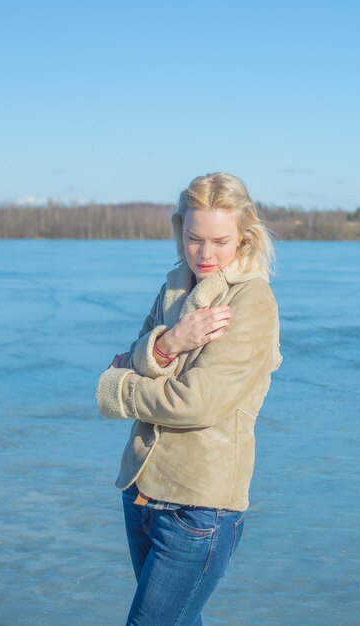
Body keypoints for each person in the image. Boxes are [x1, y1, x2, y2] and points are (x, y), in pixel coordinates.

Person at [96, 172, 283, 625]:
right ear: (179, 228)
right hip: (141, 488)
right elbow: (139, 351)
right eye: (194, 238)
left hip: (198, 506)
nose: (205, 253)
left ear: (244, 237)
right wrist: (168, 344)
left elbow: (194, 403)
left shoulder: (252, 302)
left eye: (220, 241)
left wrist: (119, 388)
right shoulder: (176, 285)